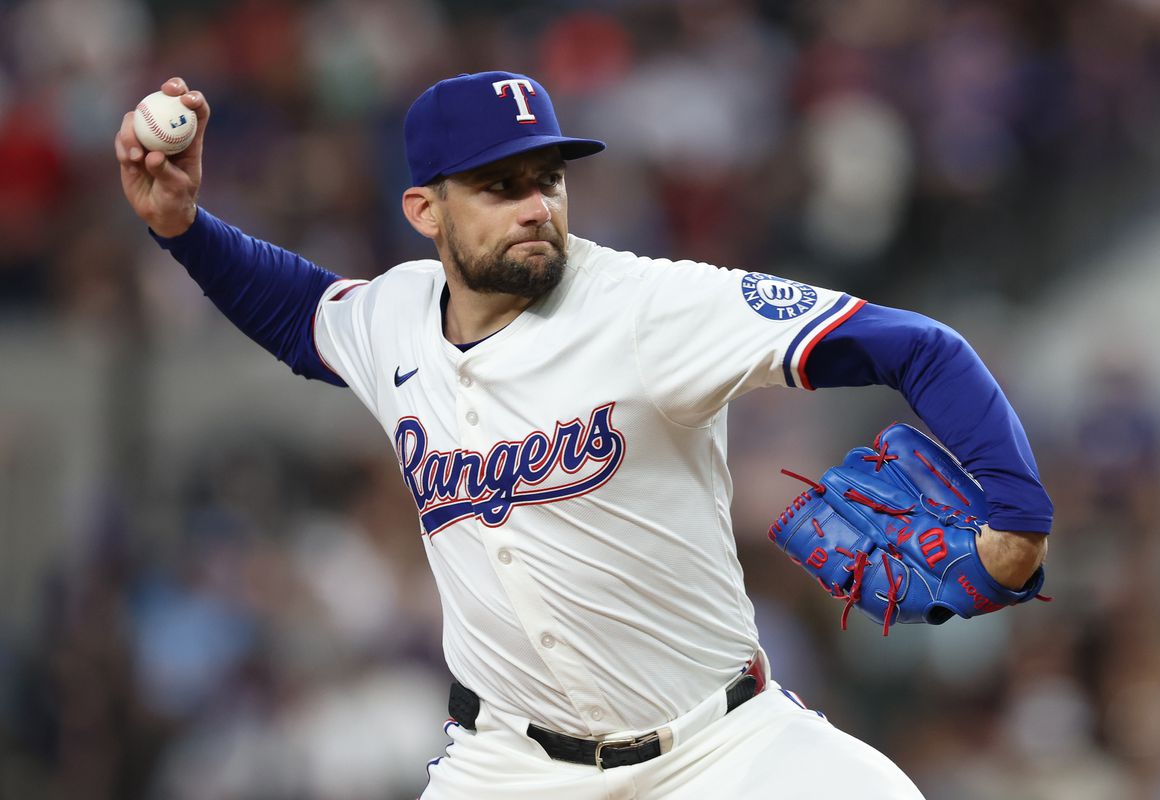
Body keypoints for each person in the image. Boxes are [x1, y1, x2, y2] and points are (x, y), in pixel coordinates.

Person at [114, 72, 1051, 799]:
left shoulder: (649, 307)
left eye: (548, 178)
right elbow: (298, 313)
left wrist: (1019, 515)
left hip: (723, 749)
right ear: (425, 212)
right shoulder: (395, 319)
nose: (536, 205)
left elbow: (921, 347)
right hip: (515, 767)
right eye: (499, 185)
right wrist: (182, 227)